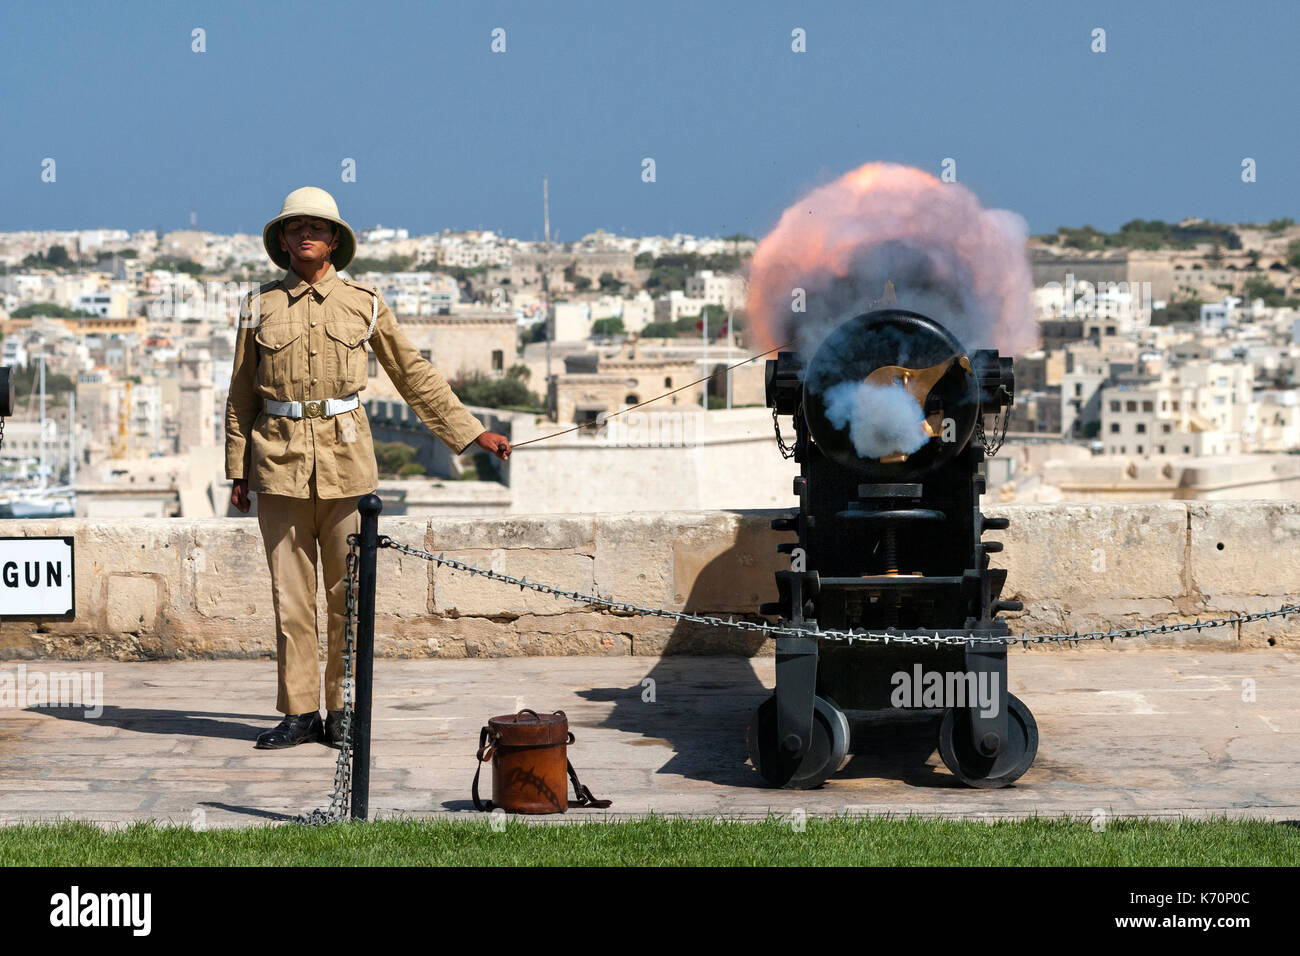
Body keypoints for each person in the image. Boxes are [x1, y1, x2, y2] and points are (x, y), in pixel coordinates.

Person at [225, 186, 510, 749]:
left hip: (345, 464)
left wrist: (471, 431)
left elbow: (412, 373)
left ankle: (342, 711)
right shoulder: (258, 306)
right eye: (296, 226)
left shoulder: (365, 303)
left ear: (334, 240)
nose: (306, 233)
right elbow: (240, 395)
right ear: (283, 240)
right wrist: (238, 469)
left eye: (318, 226)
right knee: (291, 595)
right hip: (277, 463)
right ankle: (299, 712)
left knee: (346, 595)